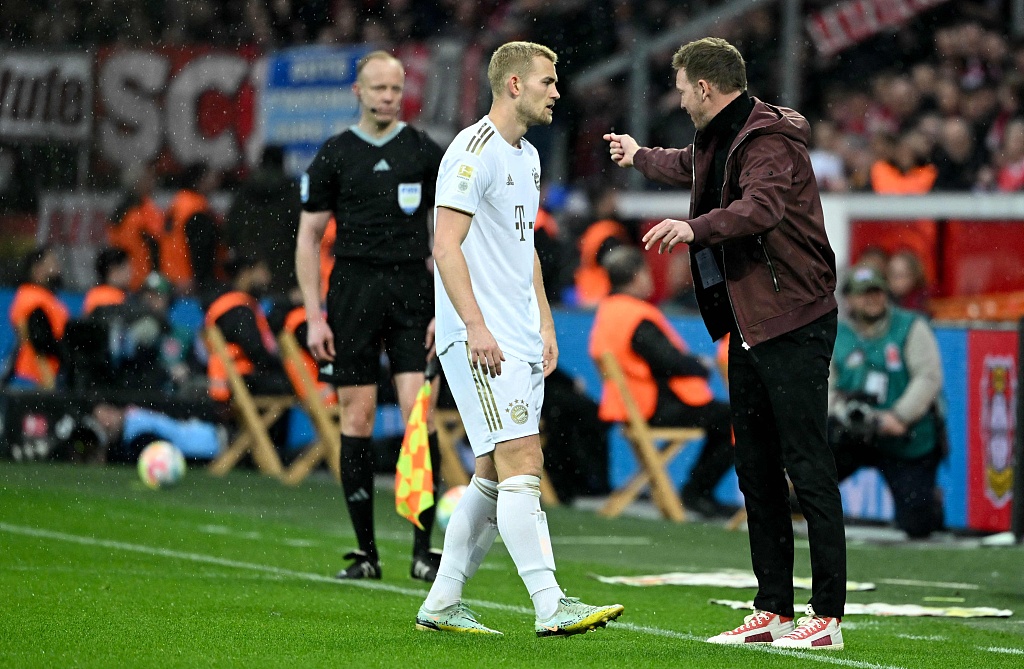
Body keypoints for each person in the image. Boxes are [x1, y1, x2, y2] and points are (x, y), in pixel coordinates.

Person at [605, 37, 845, 649]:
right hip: (751, 321)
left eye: (682, 87)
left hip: (792, 317)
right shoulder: (723, 138)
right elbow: (691, 167)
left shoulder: (768, 142)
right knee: (756, 468)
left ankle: (828, 616)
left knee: (806, 464)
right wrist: (638, 158)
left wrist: (694, 226)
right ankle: (773, 608)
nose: (678, 97)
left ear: (706, 89)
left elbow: (759, 208)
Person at [417, 40, 623, 638]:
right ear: (513, 85)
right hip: (480, 335)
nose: (557, 92)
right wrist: (476, 328)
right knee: (523, 458)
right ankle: (549, 602)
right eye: (547, 81)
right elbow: (444, 246)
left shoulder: (529, 158)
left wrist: (544, 321)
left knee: (491, 469)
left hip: (518, 332)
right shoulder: (470, 151)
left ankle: (442, 600)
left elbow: (522, 244)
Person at [294, 50, 444, 583]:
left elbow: (447, 234)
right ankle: (366, 554)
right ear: (358, 91)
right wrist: (315, 316)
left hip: (412, 293)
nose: (388, 97)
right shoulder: (335, 154)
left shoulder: (426, 152)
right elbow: (309, 237)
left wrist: (443, 308)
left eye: (396, 88)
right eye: (379, 88)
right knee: (354, 419)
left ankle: (424, 552)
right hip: (353, 292)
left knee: (416, 417)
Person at [589, 246, 735, 517]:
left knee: (722, 419)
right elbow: (669, 362)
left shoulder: (608, 311)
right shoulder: (636, 315)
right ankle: (697, 491)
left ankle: (697, 492)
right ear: (637, 275)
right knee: (734, 419)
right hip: (654, 406)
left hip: (629, 405)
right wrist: (700, 367)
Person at [829, 266, 945, 539]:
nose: (872, 299)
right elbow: (823, 385)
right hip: (851, 433)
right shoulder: (837, 333)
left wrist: (900, 416)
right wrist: (842, 411)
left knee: (917, 524)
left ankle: (930, 506)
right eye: (863, 294)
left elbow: (928, 377)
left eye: (877, 292)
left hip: (904, 435)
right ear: (848, 299)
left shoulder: (911, 326)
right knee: (809, 478)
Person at [204, 255, 290, 402]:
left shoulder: (225, 303)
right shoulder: (237, 307)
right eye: (261, 270)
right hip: (242, 379)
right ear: (246, 273)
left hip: (231, 378)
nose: (267, 277)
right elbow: (254, 348)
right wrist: (281, 365)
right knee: (292, 382)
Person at [225, 146, 302, 298]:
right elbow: (302, 232)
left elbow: (230, 229)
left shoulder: (245, 190)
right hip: (283, 269)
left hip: (249, 268)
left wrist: (248, 259)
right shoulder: (291, 191)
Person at [6, 246, 69, 389]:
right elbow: (35, 343)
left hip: (47, 374)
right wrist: (48, 381)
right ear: (37, 269)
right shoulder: (30, 298)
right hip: (33, 378)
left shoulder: (46, 297)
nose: (57, 268)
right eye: (52, 263)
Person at [83, 246, 131, 316]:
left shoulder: (95, 293)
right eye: (125, 268)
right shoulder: (106, 296)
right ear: (113, 271)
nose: (130, 272)